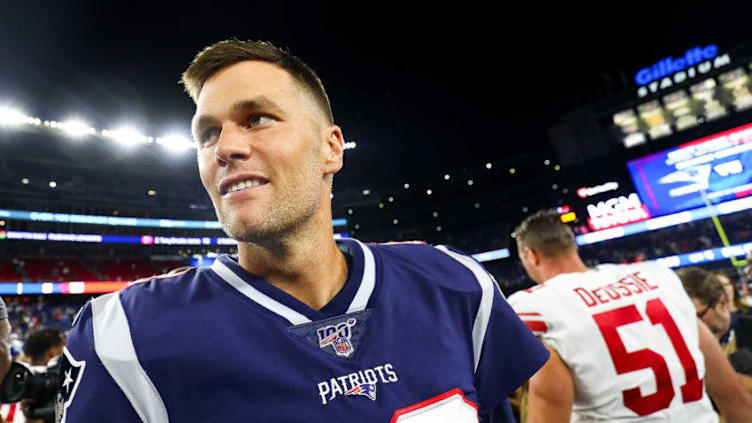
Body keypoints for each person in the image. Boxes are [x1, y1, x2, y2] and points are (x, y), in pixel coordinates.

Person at [55, 40, 549, 422]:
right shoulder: (125, 336)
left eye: (257, 119)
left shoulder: (453, 283)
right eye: (207, 134)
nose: (224, 146)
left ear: (331, 148)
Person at [508, 210, 752, 423]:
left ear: (531, 255)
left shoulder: (537, 304)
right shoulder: (658, 278)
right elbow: (735, 398)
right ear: (572, 245)